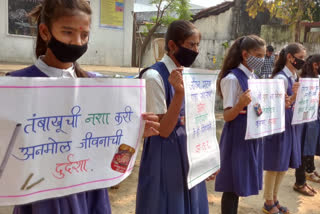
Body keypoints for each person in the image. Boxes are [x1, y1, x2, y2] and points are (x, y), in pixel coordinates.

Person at [8, 0, 160, 213]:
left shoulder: (97, 85)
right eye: (67, 32)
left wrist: (134, 132)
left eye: (84, 35)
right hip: (42, 195)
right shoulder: (15, 85)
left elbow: (104, 139)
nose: (77, 42)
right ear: (45, 32)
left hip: (90, 191)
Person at [136, 20, 212, 214]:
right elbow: (163, 130)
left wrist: (208, 159)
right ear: (172, 46)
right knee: (167, 204)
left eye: (197, 45)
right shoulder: (154, 76)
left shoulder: (188, 74)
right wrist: (178, 95)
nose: (195, 50)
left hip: (189, 150)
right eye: (190, 45)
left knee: (191, 203)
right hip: (165, 154)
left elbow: (200, 120)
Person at [215, 35, 266, 214]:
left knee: (240, 183)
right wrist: (240, 104)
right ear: (245, 55)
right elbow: (227, 116)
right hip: (236, 137)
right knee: (232, 185)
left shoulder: (253, 76)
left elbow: (257, 107)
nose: (262, 60)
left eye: (264, 56)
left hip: (250, 135)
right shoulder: (232, 79)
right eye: (258, 56)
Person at [263, 43, 306, 214]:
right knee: (275, 164)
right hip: (279, 124)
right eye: (300, 58)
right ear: (290, 57)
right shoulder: (280, 79)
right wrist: (296, 94)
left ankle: (274, 199)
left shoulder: (293, 77)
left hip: (289, 123)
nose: (302, 61)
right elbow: (276, 105)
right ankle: (268, 202)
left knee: (282, 164)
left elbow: (292, 102)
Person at [294, 54, 320, 196]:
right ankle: (300, 182)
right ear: (316, 65)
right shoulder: (307, 80)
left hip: (312, 119)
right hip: (305, 121)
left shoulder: (314, 78)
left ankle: (304, 179)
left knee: (308, 150)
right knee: (303, 151)